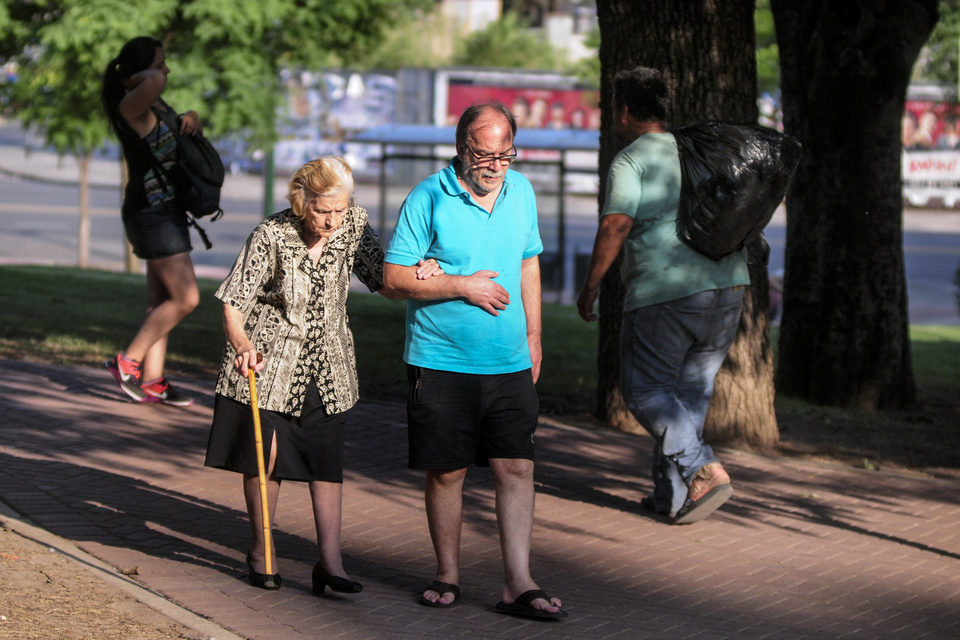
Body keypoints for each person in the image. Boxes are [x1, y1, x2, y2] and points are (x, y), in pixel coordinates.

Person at [204, 157, 441, 592]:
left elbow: (385, 281)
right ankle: (262, 553)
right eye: (322, 210)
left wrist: (422, 270)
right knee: (267, 461)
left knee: (326, 462)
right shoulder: (270, 235)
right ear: (301, 200)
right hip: (270, 361)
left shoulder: (352, 225)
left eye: (340, 209)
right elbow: (234, 301)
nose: (332, 220)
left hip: (329, 362)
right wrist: (243, 345)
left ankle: (330, 566)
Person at [383, 103, 566, 621]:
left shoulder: (523, 191)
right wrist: (462, 286)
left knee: (517, 466)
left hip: (509, 361)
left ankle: (518, 582)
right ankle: (447, 573)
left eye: (505, 154)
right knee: (447, 472)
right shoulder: (427, 196)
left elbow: (529, 261)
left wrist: (534, 336)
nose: (494, 165)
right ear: (461, 148)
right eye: (484, 154)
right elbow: (394, 281)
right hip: (440, 360)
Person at [576, 67, 750, 525]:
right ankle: (674, 498)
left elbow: (616, 224)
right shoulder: (698, 151)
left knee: (646, 391)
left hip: (667, 291)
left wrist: (592, 285)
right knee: (689, 397)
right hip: (728, 286)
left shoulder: (633, 159)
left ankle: (701, 469)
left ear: (625, 110)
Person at [99, 36, 201, 406]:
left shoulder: (151, 103)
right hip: (152, 214)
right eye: (160, 63)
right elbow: (154, 81)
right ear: (139, 73)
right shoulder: (132, 106)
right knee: (187, 298)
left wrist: (191, 119)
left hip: (165, 211)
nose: (166, 71)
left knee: (161, 301)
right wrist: (139, 74)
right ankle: (128, 362)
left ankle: (154, 381)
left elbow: (172, 136)